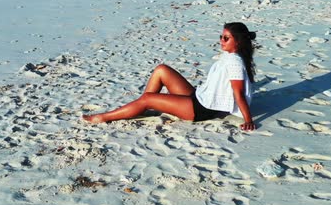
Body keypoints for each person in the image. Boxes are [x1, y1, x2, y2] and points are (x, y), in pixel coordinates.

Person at [82, 22, 256, 130]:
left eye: (226, 38)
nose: (221, 41)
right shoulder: (231, 56)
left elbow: (238, 94)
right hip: (199, 96)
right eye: (221, 37)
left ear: (238, 42)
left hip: (200, 109)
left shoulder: (234, 62)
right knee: (161, 70)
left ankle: (103, 117)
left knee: (148, 99)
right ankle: (143, 104)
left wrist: (248, 120)